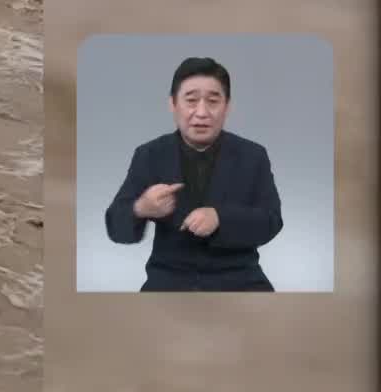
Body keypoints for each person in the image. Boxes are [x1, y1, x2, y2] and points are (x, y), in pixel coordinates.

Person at [105, 56, 283, 290]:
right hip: (168, 281)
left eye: (213, 101)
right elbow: (115, 226)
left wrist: (221, 218)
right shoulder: (150, 154)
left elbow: (271, 220)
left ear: (227, 106)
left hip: (240, 279)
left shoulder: (253, 155)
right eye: (191, 100)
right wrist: (141, 208)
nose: (201, 112)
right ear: (172, 104)